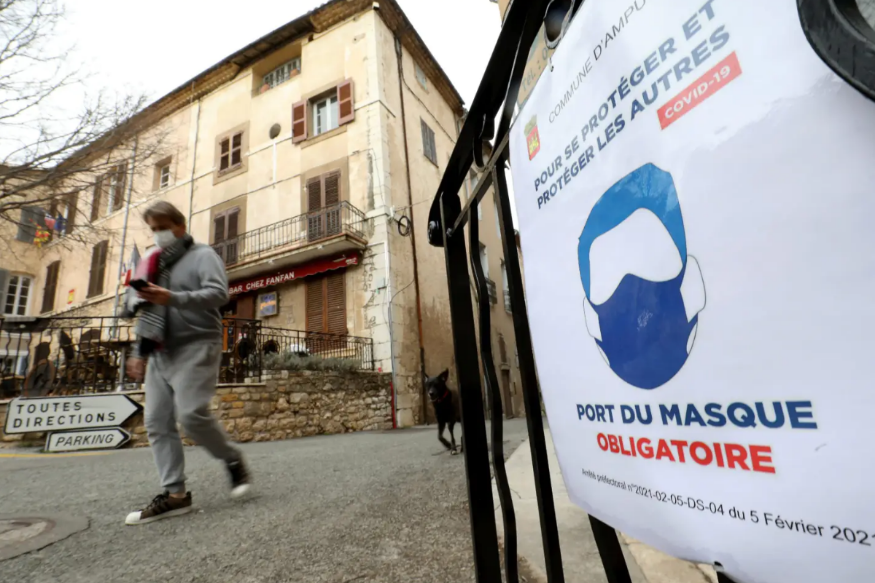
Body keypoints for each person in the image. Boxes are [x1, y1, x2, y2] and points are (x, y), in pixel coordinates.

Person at [124, 201, 250, 526]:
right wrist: (139, 352)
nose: (157, 234)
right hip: (159, 350)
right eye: (153, 229)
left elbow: (219, 294)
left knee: (191, 415)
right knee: (156, 421)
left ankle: (231, 458)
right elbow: (144, 309)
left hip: (197, 344)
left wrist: (173, 297)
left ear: (179, 226)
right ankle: (175, 495)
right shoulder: (150, 261)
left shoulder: (203, 255)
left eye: (162, 227)